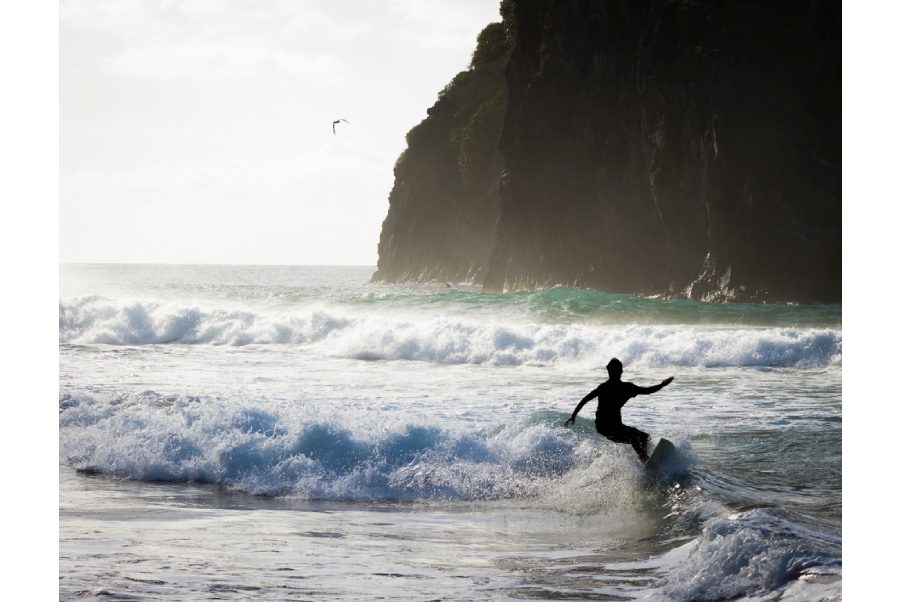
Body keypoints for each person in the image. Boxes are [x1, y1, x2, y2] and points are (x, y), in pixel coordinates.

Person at [565, 358, 673, 462]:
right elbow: (648, 390)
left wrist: (573, 416)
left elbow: (647, 390)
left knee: (645, 437)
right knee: (634, 437)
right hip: (605, 427)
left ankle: (643, 458)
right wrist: (662, 385)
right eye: (613, 371)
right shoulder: (614, 387)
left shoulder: (619, 387)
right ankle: (643, 458)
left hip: (611, 427)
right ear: (620, 371)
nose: (615, 373)